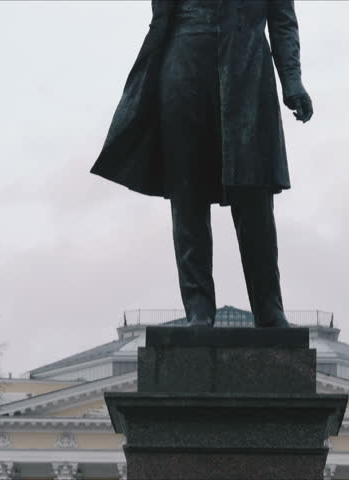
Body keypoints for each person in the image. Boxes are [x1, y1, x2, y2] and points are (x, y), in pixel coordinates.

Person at [91, 0, 313, 328]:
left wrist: (292, 80)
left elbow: (282, 21)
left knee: (254, 196)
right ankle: (198, 309)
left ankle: (269, 309)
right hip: (184, 66)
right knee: (187, 195)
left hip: (247, 68)